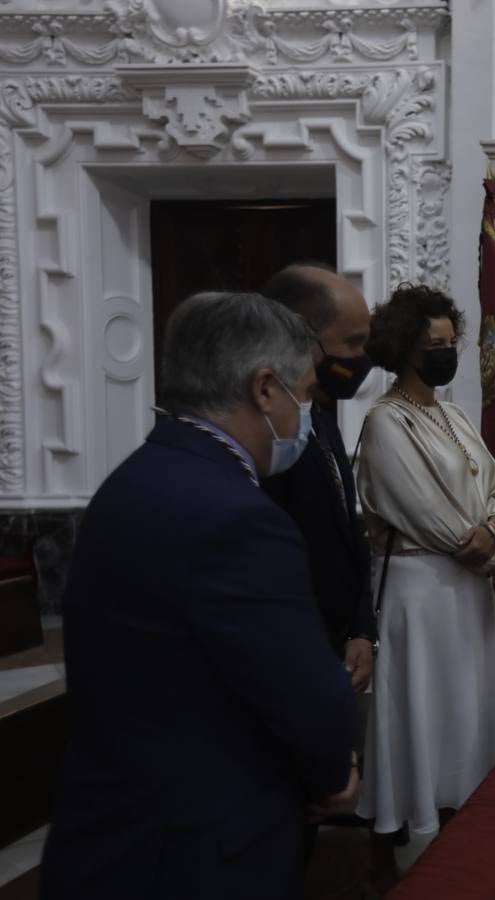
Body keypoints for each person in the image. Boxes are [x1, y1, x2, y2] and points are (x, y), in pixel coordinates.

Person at [40, 292, 359, 900]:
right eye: (307, 394)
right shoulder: (237, 517)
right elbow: (308, 696)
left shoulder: (136, 477)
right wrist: (331, 771)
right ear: (265, 389)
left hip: (115, 831)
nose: (306, 416)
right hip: (197, 850)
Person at [355, 283, 495, 850]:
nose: (446, 352)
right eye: (435, 343)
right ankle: (417, 831)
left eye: (451, 341)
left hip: (464, 591)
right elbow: (428, 514)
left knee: (465, 703)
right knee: (422, 704)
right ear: (406, 348)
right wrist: (493, 559)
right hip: (420, 589)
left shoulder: (454, 415)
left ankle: (464, 814)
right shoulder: (385, 422)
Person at [261, 264, 376, 690]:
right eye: (352, 342)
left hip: (334, 646)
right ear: (300, 334)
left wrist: (361, 629)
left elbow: (347, 531)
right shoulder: (266, 436)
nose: (362, 359)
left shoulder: (321, 416)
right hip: (290, 656)